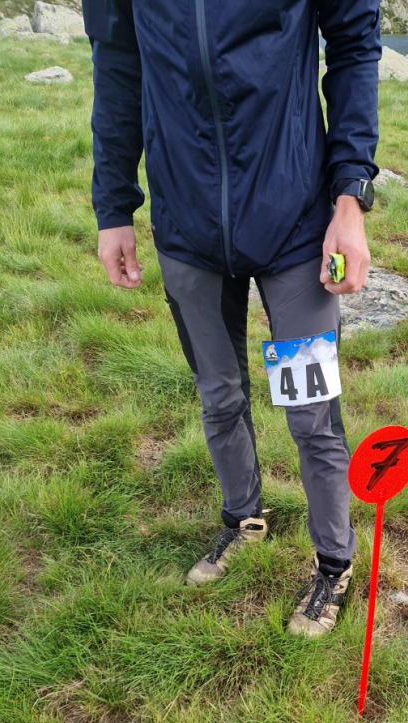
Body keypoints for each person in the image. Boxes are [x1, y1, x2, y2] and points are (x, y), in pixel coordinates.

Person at [82, 0, 381, 637]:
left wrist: (350, 196)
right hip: (185, 226)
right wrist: (113, 207)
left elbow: (354, 44)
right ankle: (243, 518)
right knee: (218, 395)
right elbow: (117, 66)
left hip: (297, 224)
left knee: (310, 413)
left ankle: (334, 562)